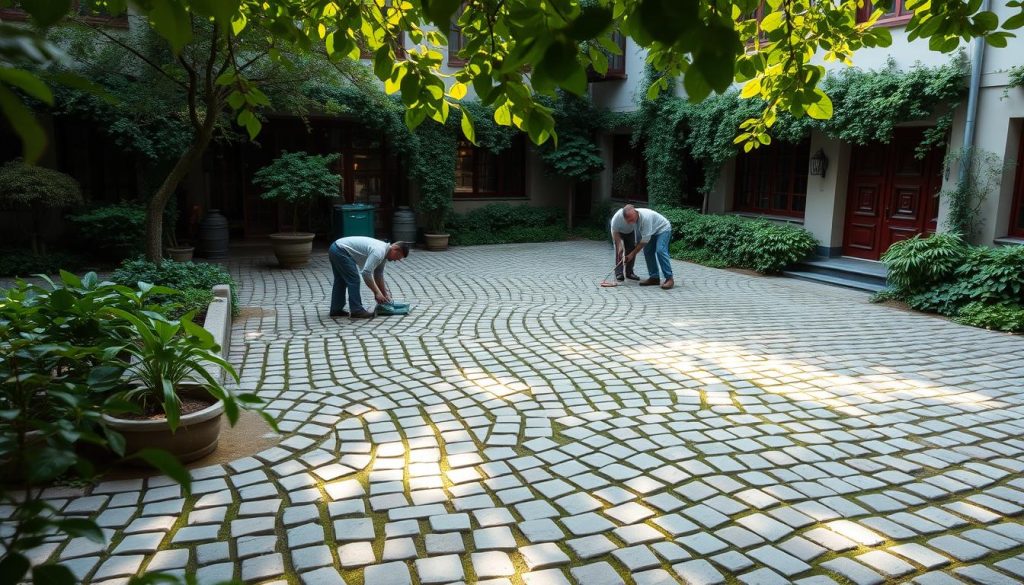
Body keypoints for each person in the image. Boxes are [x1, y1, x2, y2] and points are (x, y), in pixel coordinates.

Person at [328, 236, 410, 319]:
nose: (396, 260)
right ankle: (357, 311)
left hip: (335, 248)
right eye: (398, 256)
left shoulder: (383, 253)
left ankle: (336, 310)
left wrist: (384, 294)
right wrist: (377, 293)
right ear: (395, 248)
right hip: (340, 250)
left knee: (341, 280)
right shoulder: (379, 252)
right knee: (354, 279)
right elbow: (366, 273)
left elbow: (378, 275)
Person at [621, 205, 674, 289]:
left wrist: (632, 254)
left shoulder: (646, 218)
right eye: (629, 221)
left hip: (663, 229)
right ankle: (654, 278)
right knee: (647, 252)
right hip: (652, 231)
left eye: (631, 219)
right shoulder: (633, 218)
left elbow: (645, 240)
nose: (631, 222)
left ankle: (669, 278)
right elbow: (638, 236)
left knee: (660, 250)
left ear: (635, 212)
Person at [609, 206, 640, 281]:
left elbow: (638, 228)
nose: (632, 221)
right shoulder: (616, 218)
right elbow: (614, 232)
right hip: (618, 233)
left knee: (632, 250)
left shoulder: (637, 215)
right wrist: (619, 245)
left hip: (630, 232)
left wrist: (636, 241)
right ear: (624, 217)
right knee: (619, 251)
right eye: (629, 219)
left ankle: (629, 273)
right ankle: (619, 273)